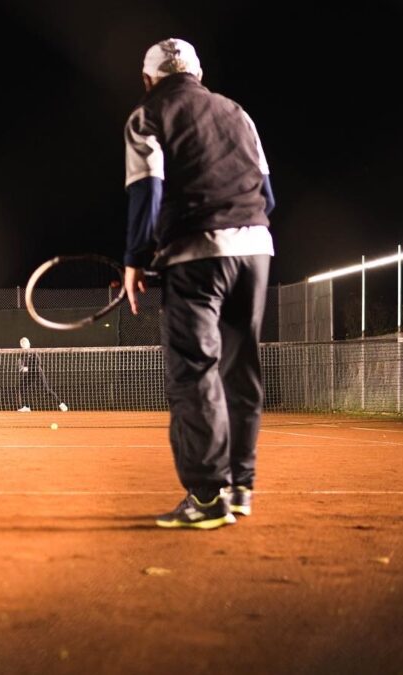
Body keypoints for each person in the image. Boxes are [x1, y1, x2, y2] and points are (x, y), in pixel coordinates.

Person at [123, 38, 275, 529]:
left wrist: (136, 260)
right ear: (199, 73)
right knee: (240, 369)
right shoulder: (238, 113)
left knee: (194, 371)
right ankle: (240, 486)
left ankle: (208, 498)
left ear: (148, 80)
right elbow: (266, 195)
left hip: (196, 255)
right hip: (255, 250)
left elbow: (148, 192)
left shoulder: (146, 117)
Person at [16, 337, 68, 412]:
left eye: (25, 343)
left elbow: (38, 365)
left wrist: (27, 368)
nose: (23, 344)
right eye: (22, 343)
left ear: (29, 344)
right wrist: (21, 367)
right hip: (30, 375)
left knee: (46, 390)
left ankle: (61, 404)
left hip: (38, 373)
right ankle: (26, 407)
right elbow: (21, 365)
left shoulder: (34, 353)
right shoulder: (22, 355)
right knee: (22, 387)